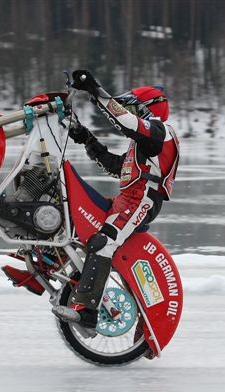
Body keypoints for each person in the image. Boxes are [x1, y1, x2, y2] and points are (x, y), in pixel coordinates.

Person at [57, 69, 181, 327]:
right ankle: (47, 261)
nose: (130, 113)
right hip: (128, 199)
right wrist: (86, 138)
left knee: (104, 242)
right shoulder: (144, 144)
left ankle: (88, 312)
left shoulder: (160, 132)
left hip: (142, 200)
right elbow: (116, 166)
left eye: (133, 108)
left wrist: (95, 90)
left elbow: (125, 122)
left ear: (146, 109)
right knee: (75, 217)